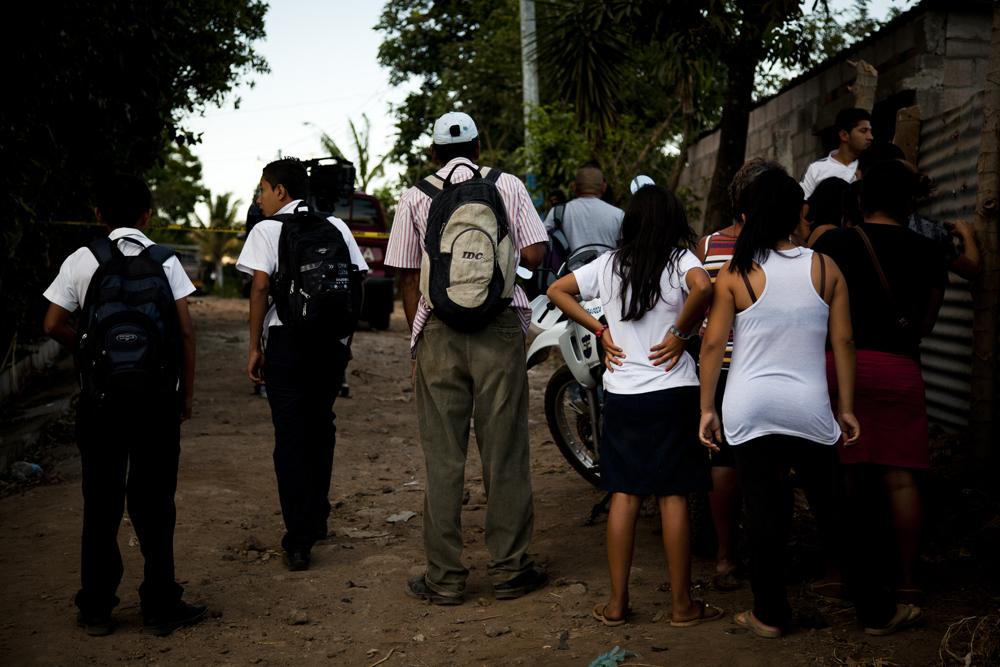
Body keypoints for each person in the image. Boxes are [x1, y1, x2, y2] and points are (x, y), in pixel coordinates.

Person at [699, 169, 919, 638]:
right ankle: (876, 613)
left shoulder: (736, 273)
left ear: (751, 214)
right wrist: (847, 407)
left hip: (749, 406)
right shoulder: (824, 267)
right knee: (836, 512)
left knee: (762, 512)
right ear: (794, 214)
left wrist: (706, 409)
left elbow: (714, 345)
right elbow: (843, 340)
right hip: (809, 407)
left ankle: (770, 615)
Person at [385, 111, 549, 605]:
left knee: (442, 456)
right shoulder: (509, 186)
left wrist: (419, 340)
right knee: (506, 453)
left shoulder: (415, 196)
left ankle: (446, 579)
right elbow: (538, 251)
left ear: (433, 153)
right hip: (499, 327)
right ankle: (510, 570)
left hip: (438, 330)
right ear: (479, 147)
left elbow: (408, 275)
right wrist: (500, 266)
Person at [549, 184, 722, 628]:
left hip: (624, 394)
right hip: (673, 392)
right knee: (673, 494)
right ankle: (683, 606)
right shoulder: (682, 261)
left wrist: (600, 329)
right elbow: (704, 288)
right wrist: (681, 334)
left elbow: (556, 291)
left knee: (624, 494)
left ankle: (616, 604)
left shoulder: (608, 265)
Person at [42, 174, 206, 637]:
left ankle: (96, 607)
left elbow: (52, 322)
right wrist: (186, 397)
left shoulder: (83, 259)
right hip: (156, 400)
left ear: (98, 215)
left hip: (100, 401)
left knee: (101, 501)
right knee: (155, 503)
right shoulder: (165, 260)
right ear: (146, 216)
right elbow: (186, 334)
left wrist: (88, 349)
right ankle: (159, 604)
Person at [813, 159, 947, 604]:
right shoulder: (928, 249)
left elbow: (815, 310)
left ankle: (836, 575)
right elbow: (926, 322)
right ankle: (907, 580)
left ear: (861, 198)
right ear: (909, 202)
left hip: (840, 369)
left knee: (844, 475)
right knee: (902, 478)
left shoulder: (834, 243)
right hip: (900, 368)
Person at [236, 157, 369, 571]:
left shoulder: (266, 230)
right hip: (329, 343)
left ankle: (298, 539)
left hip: (287, 341)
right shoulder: (337, 226)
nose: (259, 199)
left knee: (290, 435)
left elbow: (260, 287)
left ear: (280, 191)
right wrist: (345, 340)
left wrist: (255, 346)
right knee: (321, 424)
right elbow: (357, 281)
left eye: (262, 189)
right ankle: (318, 515)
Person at [693, 157, 783, 591]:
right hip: (770, 368)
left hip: (721, 370)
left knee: (724, 462)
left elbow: (693, 309)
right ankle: (770, 556)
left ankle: (726, 557)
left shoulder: (708, 246)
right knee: (771, 465)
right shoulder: (782, 248)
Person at [543, 164, 624, 254]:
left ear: (574, 187)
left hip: (571, 267)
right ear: (604, 187)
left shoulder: (558, 212)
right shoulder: (618, 215)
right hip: (609, 268)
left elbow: (541, 238)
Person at [799, 107, 873, 199]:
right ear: (844, 135)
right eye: (863, 131)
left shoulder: (873, 167)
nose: (870, 137)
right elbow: (803, 205)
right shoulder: (815, 169)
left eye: (870, 131)